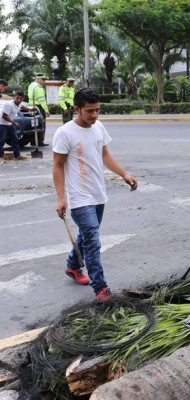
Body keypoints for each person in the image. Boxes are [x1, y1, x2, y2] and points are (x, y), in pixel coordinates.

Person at [53, 87, 138, 302]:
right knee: (92, 241)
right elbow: (58, 166)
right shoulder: (64, 133)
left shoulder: (98, 127)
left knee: (86, 234)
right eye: (89, 111)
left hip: (98, 194)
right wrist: (61, 198)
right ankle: (100, 288)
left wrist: (123, 174)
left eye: (97, 110)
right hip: (79, 197)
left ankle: (73, 266)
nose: (94, 115)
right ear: (76, 109)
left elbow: (105, 155)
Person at [0, 91, 30, 161]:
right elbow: (4, 116)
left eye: (21, 98)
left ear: (23, 98)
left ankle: (17, 155)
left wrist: (30, 109)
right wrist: (14, 122)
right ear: (14, 97)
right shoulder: (9, 104)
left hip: (9, 123)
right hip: (2, 123)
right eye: (17, 98)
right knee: (1, 140)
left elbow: (22, 107)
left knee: (15, 139)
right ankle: (0, 157)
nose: (19, 100)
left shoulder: (19, 103)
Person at [27, 73, 50, 146]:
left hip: (31, 107)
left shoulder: (31, 85)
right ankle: (40, 141)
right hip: (39, 107)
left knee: (34, 124)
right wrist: (46, 110)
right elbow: (42, 100)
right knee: (42, 124)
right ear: (38, 79)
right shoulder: (39, 88)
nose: (44, 81)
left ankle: (33, 141)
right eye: (43, 80)